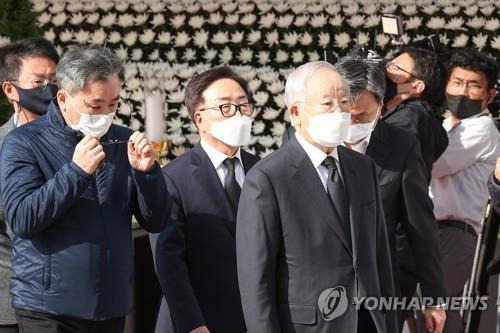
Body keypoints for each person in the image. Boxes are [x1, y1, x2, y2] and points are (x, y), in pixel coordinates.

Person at [0, 45, 169, 333]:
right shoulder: (24, 142)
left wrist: (148, 174)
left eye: (113, 104)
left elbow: (156, 220)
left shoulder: (123, 140)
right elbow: (22, 219)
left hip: (110, 303)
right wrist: (76, 172)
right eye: (95, 106)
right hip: (48, 307)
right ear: (63, 98)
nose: (104, 114)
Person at [236, 61, 398, 333]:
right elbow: (256, 280)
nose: (339, 112)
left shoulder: (362, 167)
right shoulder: (268, 178)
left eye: (344, 102)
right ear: (297, 112)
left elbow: (380, 254)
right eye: (327, 104)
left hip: (368, 320)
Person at [335, 56, 446, 333]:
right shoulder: (306, 141)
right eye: (345, 115)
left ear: (382, 105)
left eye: (361, 116)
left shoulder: (401, 145)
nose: (351, 124)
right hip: (319, 294)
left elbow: (420, 225)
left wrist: (434, 298)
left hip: (378, 291)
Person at [150, 67, 259, 333]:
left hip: (252, 319)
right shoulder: (173, 178)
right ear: (200, 119)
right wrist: (193, 323)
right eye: (225, 107)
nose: (237, 114)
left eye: (243, 105)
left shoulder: (262, 171)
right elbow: (168, 262)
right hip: (197, 320)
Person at [429, 48, 500, 333]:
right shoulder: (447, 125)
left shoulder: (482, 129)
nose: (463, 91)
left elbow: (434, 165)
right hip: (430, 231)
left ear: (490, 95)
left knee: (436, 313)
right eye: (457, 82)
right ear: (446, 84)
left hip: (454, 234)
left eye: (473, 85)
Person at [0, 37, 59, 333]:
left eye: (54, 80)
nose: (49, 89)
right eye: (38, 81)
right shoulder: (1, 144)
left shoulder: (79, 140)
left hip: (66, 303)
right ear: (11, 89)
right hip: (10, 303)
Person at [382, 46, 448, 181]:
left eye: (394, 67)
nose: (385, 71)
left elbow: (384, 177)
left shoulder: (406, 120)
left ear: (416, 87)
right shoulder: (414, 116)